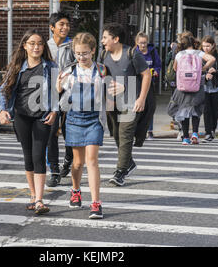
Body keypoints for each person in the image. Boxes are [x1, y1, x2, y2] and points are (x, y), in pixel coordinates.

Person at [0, 29, 58, 215]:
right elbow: (2, 91)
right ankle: (32, 195)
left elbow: (58, 92)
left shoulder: (51, 67)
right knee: (28, 156)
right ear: (25, 46)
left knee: (39, 155)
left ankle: (39, 199)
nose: (36, 47)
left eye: (39, 43)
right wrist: (2, 110)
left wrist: (55, 111)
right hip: (22, 116)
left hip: (42, 117)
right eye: (32, 43)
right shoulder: (17, 67)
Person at [57, 32, 106, 219]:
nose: (81, 57)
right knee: (77, 162)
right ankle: (75, 190)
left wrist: (120, 88)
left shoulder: (102, 70)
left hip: (94, 120)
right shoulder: (69, 72)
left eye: (85, 53)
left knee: (92, 160)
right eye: (78, 53)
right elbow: (59, 92)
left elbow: (111, 89)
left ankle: (96, 203)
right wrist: (58, 84)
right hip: (74, 118)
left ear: (93, 51)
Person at [99, 23, 151, 186]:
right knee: (115, 135)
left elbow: (146, 75)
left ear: (116, 39)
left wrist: (141, 98)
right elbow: (101, 75)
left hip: (131, 102)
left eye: (105, 37)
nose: (102, 41)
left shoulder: (131, 53)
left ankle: (120, 171)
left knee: (125, 135)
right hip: (112, 102)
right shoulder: (103, 55)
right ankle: (129, 163)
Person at [167, 32, 215, 145]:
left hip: (183, 88)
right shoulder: (198, 53)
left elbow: (174, 69)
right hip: (196, 86)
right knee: (195, 110)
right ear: (193, 43)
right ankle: (195, 133)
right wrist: (202, 69)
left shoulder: (179, 55)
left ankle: (185, 138)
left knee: (184, 111)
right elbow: (212, 59)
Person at [46, 11, 76, 187]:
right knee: (50, 133)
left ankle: (68, 160)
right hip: (49, 96)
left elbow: (77, 69)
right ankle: (54, 171)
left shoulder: (72, 46)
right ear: (52, 28)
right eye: (61, 25)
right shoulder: (45, 46)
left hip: (69, 94)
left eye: (67, 24)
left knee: (68, 133)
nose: (65, 27)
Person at [134, 32, 161, 142]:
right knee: (136, 108)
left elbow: (158, 65)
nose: (143, 45)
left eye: (145, 43)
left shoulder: (153, 52)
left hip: (149, 84)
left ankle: (149, 131)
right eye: (141, 43)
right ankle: (136, 130)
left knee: (149, 107)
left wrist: (156, 71)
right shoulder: (134, 53)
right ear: (137, 43)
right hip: (137, 84)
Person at [201, 35, 218, 143]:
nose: (205, 48)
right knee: (206, 111)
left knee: (214, 111)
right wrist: (205, 76)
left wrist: (215, 71)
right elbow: (197, 71)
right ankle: (207, 132)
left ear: (213, 46)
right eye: (203, 46)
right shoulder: (200, 56)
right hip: (204, 88)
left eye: (208, 46)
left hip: (216, 88)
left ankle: (212, 130)